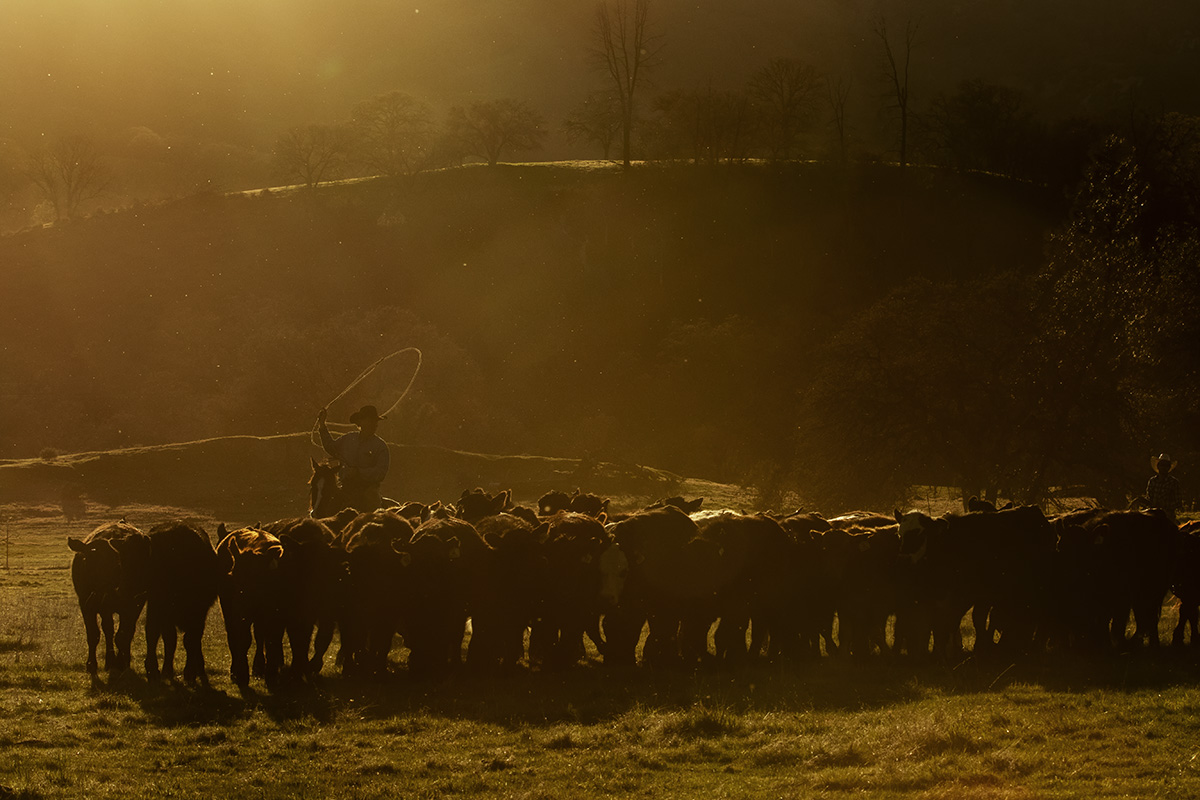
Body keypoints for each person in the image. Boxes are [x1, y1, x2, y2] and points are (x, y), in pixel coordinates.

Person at [316, 404, 391, 513]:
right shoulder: (348, 439)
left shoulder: (380, 447)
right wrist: (322, 424)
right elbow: (330, 447)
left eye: (375, 422)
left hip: (368, 490)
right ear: (360, 422)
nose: (374, 424)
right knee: (326, 511)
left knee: (373, 513)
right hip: (346, 488)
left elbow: (381, 472)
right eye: (370, 420)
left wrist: (359, 472)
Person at [1146, 453, 1182, 522]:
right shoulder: (1152, 481)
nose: (1163, 467)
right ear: (1158, 466)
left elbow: (1178, 502)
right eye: (1162, 465)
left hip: (1168, 517)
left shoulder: (1173, 482)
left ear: (1169, 468)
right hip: (1153, 516)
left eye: (1166, 465)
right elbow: (1149, 498)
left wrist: (1165, 506)